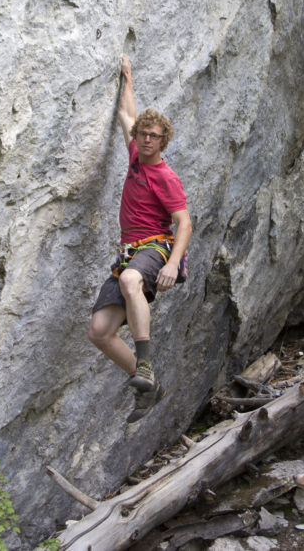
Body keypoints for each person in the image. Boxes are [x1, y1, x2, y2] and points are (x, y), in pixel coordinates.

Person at [88, 54, 192, 423]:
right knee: (99, 332)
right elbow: (127, 116)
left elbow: (184, 222)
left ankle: (144, 363)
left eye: (154, 136)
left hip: (155, 247)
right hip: (129, 253)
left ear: (163, 141)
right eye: (144, 134)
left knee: (132, 279)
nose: (147, 139)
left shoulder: (166, 177)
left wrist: (173, 263)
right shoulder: (134, 154)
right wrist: (128, 78)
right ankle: (150, 386)